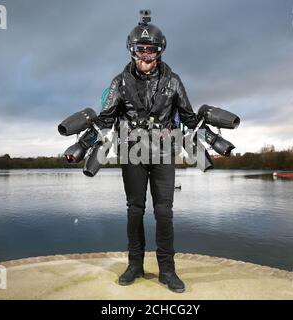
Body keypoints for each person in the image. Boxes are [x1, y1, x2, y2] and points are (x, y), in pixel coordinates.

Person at [93, 12, 200, 293]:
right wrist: (91, 127)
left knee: (164, 212)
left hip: (164, 150)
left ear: (159, 50)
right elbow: (106, 118)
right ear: (132, 50)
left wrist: (205, 125)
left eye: (151, 49)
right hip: (132, 150)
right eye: (140, 50)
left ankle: (167, 270)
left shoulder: (174, 81)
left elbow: (189, 117)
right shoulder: (118, 82)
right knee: (135, 211)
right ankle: (135, 265)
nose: (145, 55)